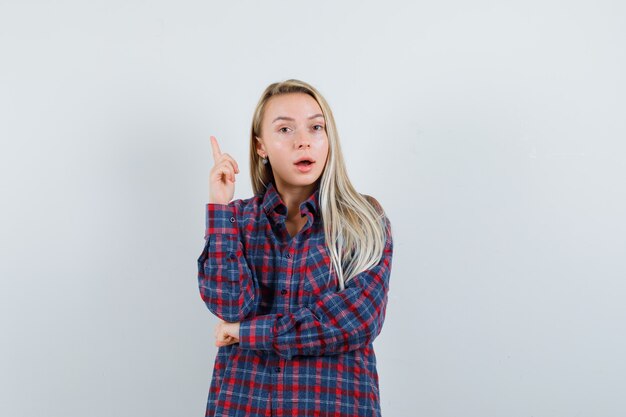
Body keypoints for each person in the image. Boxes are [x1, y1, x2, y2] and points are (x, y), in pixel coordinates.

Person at [197, 79, 394, 417]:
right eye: (285, 129)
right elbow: (229, 304)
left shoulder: (363, 219)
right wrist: (220, 207)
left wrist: (246, 332)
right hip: (244, 402)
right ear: (261, 147)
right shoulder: (239, 219)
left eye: (316, 127)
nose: (303, 140)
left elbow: (355, 321)